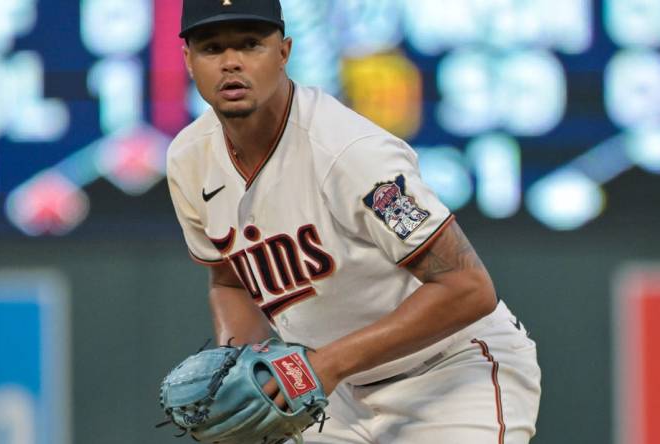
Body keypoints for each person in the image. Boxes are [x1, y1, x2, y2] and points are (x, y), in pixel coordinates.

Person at [166, 0, 541, 442]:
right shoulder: (189, 159)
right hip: (334, 393)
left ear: (284, 52)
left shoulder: (351, 153)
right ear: (188, 60)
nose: (232, 63)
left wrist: (326, 366)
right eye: (212, 48)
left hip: (451, 371)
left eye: (251, 44)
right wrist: (243, 366)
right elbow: (230, 280)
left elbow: (468, 288)